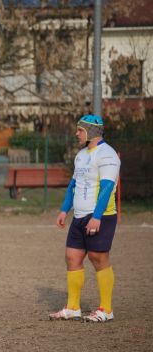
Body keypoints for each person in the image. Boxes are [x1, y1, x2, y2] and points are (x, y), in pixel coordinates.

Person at [49, 114, 121, 323]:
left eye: (80, 130)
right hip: (79, 217)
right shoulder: (81, 155)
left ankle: (106, 309)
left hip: (101, 216)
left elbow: (107, 187)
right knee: (72, 257)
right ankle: (73, 307)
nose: (77, 133)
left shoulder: (107, 154)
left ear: (92, 132)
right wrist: (64, 210)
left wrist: (96, 217)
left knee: (98, 259)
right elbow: (73, 185)